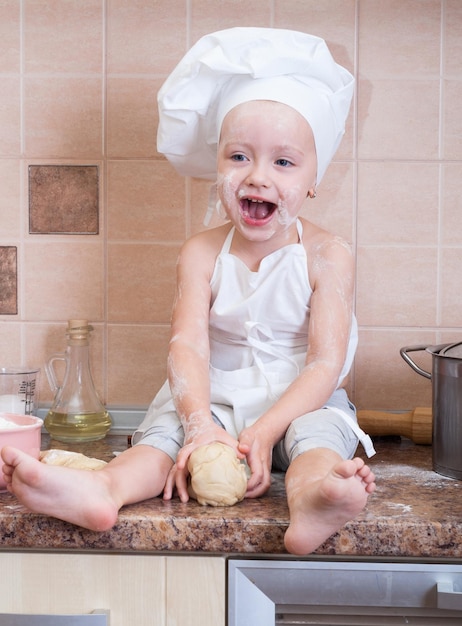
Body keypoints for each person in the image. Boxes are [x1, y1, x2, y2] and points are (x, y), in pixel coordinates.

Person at [1, 27, 376, 555]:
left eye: (284, 162)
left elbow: (324, 364)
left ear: (316, 177)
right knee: (164, 439)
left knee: (315, 441)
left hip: (299, 402)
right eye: (239, 157)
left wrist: (267, 431)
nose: (258, 177)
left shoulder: (327, 253)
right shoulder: (201, 252)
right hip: (212, 397)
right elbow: (188, 347)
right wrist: (200, 424)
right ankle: (105, 488)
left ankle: (316, 497)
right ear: (217, 165)